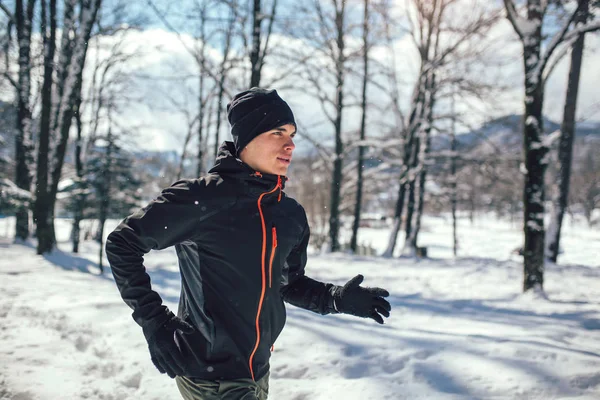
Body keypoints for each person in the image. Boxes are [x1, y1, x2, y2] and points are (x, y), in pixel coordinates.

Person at [105, 88, 391, 400]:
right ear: (247, 138)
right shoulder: (202, 199)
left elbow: (287, 283)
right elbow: (122, 243)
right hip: (211, 375)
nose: (290, 144)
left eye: (293, 134)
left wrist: (335, 298)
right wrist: (155, 322)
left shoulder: (289, 214)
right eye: (278, 132)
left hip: (258, 371)